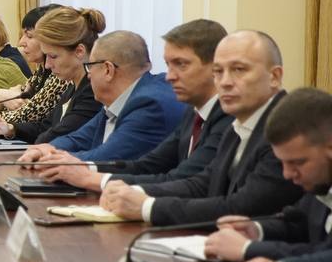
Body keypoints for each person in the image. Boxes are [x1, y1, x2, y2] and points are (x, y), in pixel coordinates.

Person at [100, 30, 300, 224]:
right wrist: (134, 192)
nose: (225, 82)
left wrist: (147, 207)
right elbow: (204, 183)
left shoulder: (288, 127)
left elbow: (243, 208)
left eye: (239, 69)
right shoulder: (239, 123)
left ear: (274, 76)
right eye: (218, 72)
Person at [33, 19, 231, 190]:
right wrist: (48, 151)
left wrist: (86, 175)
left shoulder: (152, 103)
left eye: (181, 64)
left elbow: (184, 181)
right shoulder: (192, 112)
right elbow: (147, 164)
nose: (169, 76)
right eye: (168, 65)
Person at [206, 88, 332, 262]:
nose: (287, 174)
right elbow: (299, 224)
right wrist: (256, 230)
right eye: (283, 163)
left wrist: (247, 249)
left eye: (297, 162)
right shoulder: (320, 178)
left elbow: (327, 257)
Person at [18, 30, 183, 164]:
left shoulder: (149, 104)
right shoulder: (116, 103)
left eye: (90, 67)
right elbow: (80, 138)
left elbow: (107, 157)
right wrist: (44, 149)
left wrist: (50, 158)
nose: (88, 75)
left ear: (108, 70)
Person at [0, 4, 66, 124]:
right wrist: (0, 98)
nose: (21, 42)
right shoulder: (41, 71)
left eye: (29, 36)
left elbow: (25, 116)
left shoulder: (61, 75)